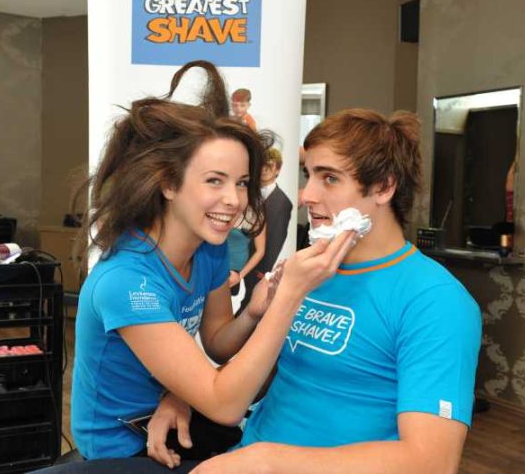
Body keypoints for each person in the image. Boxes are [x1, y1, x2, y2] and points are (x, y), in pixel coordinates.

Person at [135, 108, 482, 474]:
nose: (306, 195)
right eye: (308, 175)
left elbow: (431, 462)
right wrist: (186, 397)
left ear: (383, 187)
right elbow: (273, 370)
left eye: (329, 178)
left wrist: (267, 461)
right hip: (240, 454)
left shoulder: (436, 301)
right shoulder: (311, 272)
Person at [68, 60, 358, 467]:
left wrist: (254, 311)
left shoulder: (209, 250)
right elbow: (224, 404)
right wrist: (291, 294)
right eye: (214, 181)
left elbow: (218, 342)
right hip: (122, 447)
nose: (234, 200)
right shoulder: (126, 281)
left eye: (241, 183)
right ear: (169, 183)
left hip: (180, 421)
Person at [240, 148, 293, 311]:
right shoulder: (246, 193)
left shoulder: (282, 202)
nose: (264, 169)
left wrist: (263, 270)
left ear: (278, 169)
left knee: (251, 302)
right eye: (261, 165)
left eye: (269, 165)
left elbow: (276, 240)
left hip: (258, 264)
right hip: (237, 257)